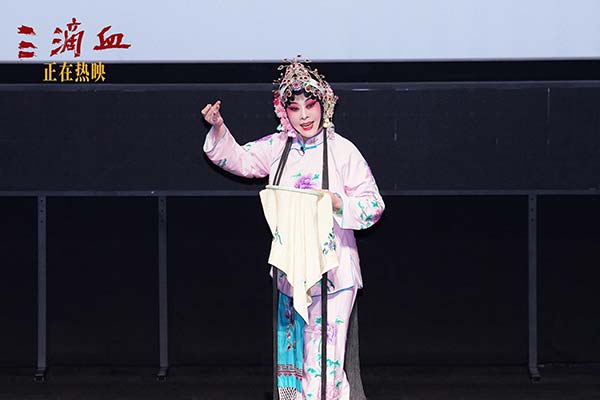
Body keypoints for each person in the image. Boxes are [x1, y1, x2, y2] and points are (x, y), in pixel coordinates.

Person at [201, 59, 384, 400]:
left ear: (324, 105)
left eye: (310, 105)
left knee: (324, 365)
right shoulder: (278, 147)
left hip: (334, 273)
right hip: (291, 273)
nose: (304, 115)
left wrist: (338, 203)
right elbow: (238, 159)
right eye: (295, 108)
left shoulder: (342, 150)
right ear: (284, 112)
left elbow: (374, 205)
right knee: (297, 367)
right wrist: (218, 127)